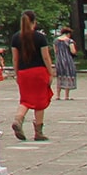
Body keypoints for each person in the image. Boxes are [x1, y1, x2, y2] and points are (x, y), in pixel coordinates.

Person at [11, 9, 54, 141]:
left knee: (25, 100)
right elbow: (46, 57)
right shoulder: (40, 37)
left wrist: (16, 73)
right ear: (34, 22)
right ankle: (38, 132)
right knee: (40, 101)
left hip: (23, 73)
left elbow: (15, 59)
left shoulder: (16, 38)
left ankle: (18, 119)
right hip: (39, 72)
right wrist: (50, 72)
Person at [54, 28, 78, 101]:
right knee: (68, 75)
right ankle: (66, 96)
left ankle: (58, 95)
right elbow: (73, 51)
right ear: (68, 33)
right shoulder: (69, 41)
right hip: (67, 60)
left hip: (59, 60)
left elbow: (56, 51)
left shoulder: (56, 41)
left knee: (60, 77)